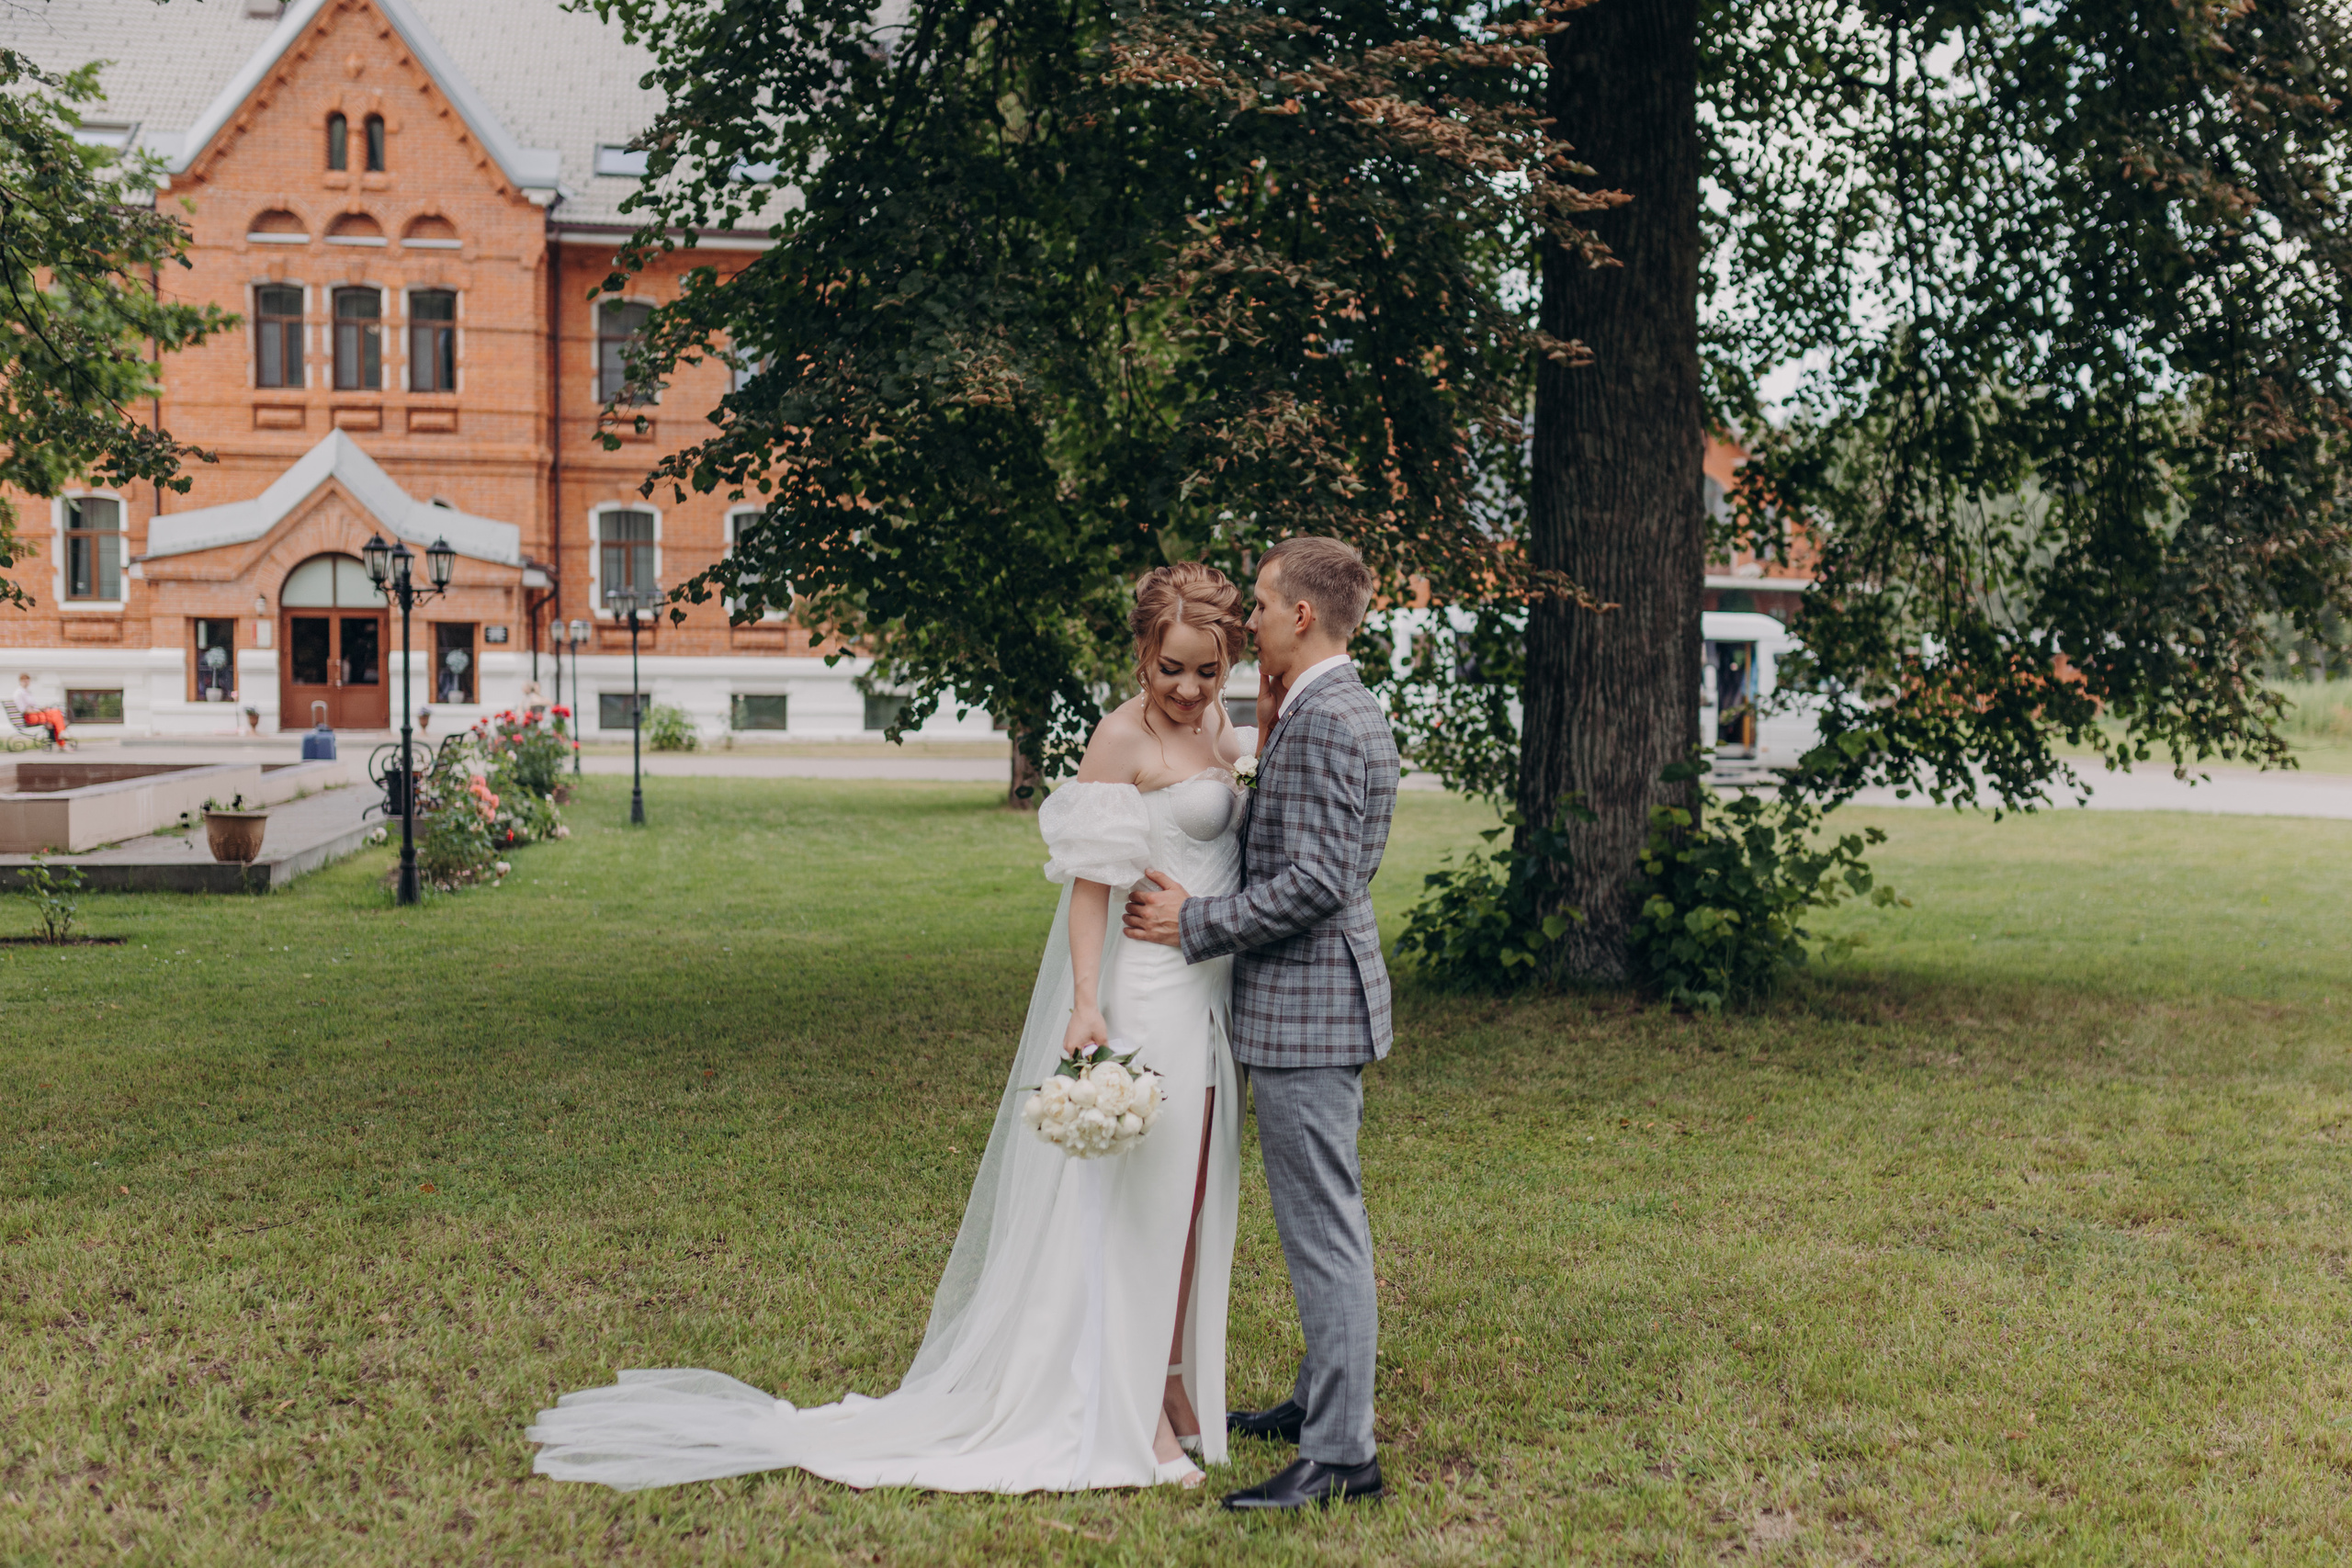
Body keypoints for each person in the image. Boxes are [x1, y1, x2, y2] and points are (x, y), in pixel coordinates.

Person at [528, 561, 1254, 1493]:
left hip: (1208, 997)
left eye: (1208, 670)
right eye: (1171, 672)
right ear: (1141, 659)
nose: (1190, 691)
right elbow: (1090, 889)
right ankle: (1137, 1416)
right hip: (1148, 994)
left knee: (1190, 1208)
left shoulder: (1220, 726)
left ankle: (1174, 1384)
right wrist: (1085, 1001)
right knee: (1141, 1211)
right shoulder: (1120, 741)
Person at [1123, 535, 1399, 1511]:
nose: (1247, 618)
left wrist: (1194, 923)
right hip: (1309, 1005)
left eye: (1261, 601)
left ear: (1300, 616)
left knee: (1323, 1231)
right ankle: (1319, 1402)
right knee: (1323, 1223)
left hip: (1310, 1011)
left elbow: (1320, 881)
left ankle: (1342, 1457)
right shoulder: (1319, 705)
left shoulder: (1327, 719)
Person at [13, 672, 67, 744]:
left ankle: (61, 735)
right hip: (30, 717)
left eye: (27, 680)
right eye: (24, 680)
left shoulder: (28, 692)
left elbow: (33, 706)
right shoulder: (18, 693)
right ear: (20, 681)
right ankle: (62, 738)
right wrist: (37, 711)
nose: (26, 682)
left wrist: (41, 709)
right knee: (55, 716)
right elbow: (23, 710)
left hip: (37, 714)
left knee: (56, 712)